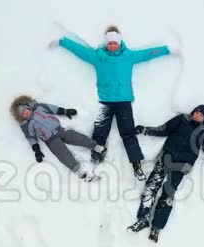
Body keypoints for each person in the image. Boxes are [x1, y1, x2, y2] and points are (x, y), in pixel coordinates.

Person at [50, 25, 176, 181]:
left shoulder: (128, 56)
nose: (112, 46)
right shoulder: (98, 57)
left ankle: (136, 164)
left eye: (115, 43)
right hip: (105, 102)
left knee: (128, 134)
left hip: (124, 102)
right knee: (100, 132)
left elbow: (148, 54)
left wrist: (168, 49)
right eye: (110, 43)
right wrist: (62, 42)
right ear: (106, 44)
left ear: (119, 43)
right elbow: (80, 51)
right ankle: (95, 159)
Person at [126, 104, 204, 242]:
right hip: (165, 158)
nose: (197, 115)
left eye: (201, 115)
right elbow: (164, 129)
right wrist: (145, 130)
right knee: (151, 186)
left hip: (181, 166)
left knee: (168, 194)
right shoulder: (182, 119)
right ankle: (143, 219)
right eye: (196, 112)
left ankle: (156, 227)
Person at [10, 95, 107, 182]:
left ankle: (96, 146)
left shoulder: (39, 108)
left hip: (60, 130)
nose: (25, 113)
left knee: (77, 137)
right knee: (63, 155)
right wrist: (37, 151)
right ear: (22, 118)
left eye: (25, 111)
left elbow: (52, 108)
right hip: (50, 140)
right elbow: (31, 138)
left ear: (28, 107)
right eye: (23, 114)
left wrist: (65, 111)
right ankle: (78, 171)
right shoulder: (26, 126)